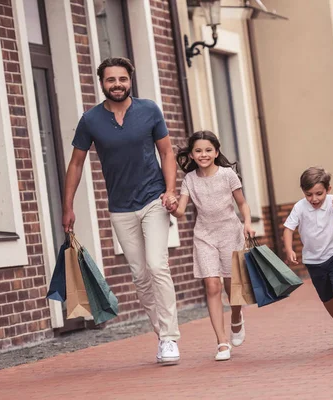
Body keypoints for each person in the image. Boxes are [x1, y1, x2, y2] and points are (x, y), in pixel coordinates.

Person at [62, 57, 181, 364]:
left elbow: (166, 152)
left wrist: (169, 190)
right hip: (120, 207)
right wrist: (67, 207)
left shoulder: (149, 110)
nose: (117, 84)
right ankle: (161, 334)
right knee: (140, 275)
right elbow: (76, 164)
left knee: (157, 266)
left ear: (131, 80)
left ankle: (170, 338)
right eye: (111, 79)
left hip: (153, 199)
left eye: (122, 79)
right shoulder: (90, 120)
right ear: (101, 83)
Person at [167, 130, 256, 361]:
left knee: (231, 287)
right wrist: (171, 206)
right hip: (205, 236)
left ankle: (236, 317)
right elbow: (180, 212)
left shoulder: (228, 175)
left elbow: (243, 203)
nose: (203, 154)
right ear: (192, 154)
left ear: (216, 152)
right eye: (198, 150)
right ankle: (222, 342)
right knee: (212, 285)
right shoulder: (189, 180)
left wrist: (247, 223)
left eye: (208, 150)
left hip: (230, 234)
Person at [283, 167, 333, 349]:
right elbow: (288, 229)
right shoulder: (300, 207)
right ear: (303, 192)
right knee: (327, 298)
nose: (314, 199)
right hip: (313, 260)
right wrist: (289, 249)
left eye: (319, 194)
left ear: (328, 189)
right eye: (309, 194)